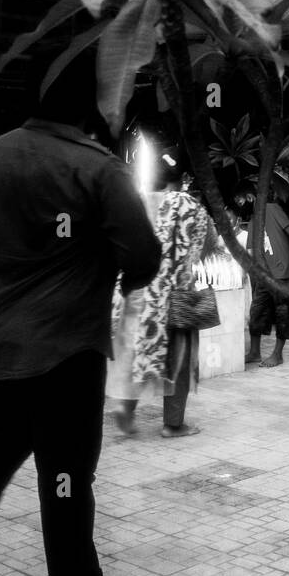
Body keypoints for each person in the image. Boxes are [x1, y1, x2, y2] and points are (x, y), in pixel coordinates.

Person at [0, 55, 162, 576]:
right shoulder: (97, 167)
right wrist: (115, 273)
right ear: (90, 105)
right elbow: (145, 254)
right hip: (64, 346)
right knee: (66, 467)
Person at [108, 154, 219, 438]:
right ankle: (173, 424)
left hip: (133, 293)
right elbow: (209, 245)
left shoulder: (132, 203)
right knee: (178, 361)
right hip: (174, 296)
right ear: (181, 179)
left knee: (134, 354)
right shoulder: (188, 204)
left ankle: (126, 411)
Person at [246, 197, 289, 368]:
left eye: (239, 198)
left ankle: (277, 355)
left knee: (283, 314)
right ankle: (255, 352)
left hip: (283, 273)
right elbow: (252, 251)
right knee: (256, 311)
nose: (239, 202)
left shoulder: (271, 208)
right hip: (265, 275)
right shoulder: (252, 221)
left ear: (250, 196)